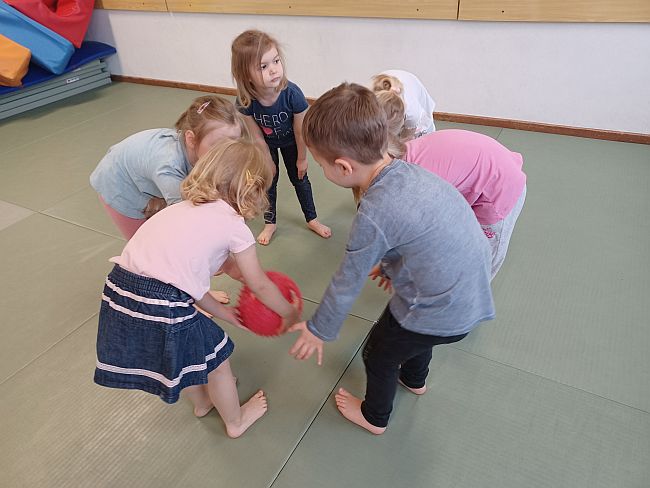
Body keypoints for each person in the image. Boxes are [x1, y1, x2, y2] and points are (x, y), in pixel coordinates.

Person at [288, 83, 495, 435]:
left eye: (321, 165)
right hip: (467, 298)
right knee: (419, 338)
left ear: (343, 167)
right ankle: (414, 379)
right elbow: (420, 235)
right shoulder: (411, 172)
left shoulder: (374, 211)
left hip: (437, 308)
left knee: (379, 353)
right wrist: (389, 265)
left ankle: (375, 416)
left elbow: (346, 281)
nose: (322, 170)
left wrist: (318, 329)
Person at [94, 139, 300, 438]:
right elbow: (258, 283)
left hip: (120, 290)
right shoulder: (234, 226)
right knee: (218, 363)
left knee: (187, 354)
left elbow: (190, 285)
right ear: (253, 189)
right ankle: (236, 422)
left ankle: (203, 404)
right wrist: (289, 312)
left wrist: (227, 315)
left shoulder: (179, 209)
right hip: (163, 304)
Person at [377, 90, 527, 279]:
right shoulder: (402, 156)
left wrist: (395, 266)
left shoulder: (418, 185)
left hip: (499, 190)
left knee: (484, 255)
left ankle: (476, 290)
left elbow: (426, 237)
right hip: (485, 170)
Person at [90, 95, 245, 240]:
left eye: (234, 144)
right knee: (143, 243)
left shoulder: (201, 151)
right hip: (117, 182)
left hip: (140, 167)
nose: (228, 153)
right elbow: (185, 216)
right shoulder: (169, 167)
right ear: (191, 139)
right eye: (218, 146)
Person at [231, 29, 331, 245]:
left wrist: (302, 158)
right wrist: (267, 159)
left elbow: (300, 131)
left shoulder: (292, 94)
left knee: (300, 180)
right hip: (266, 144)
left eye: (276, 61)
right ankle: (270, 223)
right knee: (269, 182)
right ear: (246, 75)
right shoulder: (245, 101)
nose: (274, 70)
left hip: (293, 142)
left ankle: (312, 219)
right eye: (263, 66)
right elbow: (256, 135)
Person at [371, 69, 436, 136]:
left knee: (423, 135)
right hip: (388, 81)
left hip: (412, 87)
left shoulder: (412, 113)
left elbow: (408, 138)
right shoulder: (369, 98)